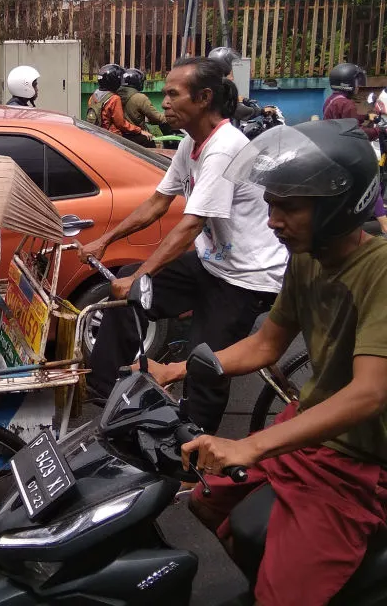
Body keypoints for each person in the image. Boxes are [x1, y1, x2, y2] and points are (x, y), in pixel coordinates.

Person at [145, 119, 387, 606]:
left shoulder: (379, 270)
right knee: (204, 502)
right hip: (308, 431)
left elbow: (370, 392)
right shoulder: (306, 258)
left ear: (340, 205)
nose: (273, 219)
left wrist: (251, 447)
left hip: (363, 459)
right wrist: (176, 370)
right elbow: (265, 346)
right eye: (272, 204)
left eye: (288, 207)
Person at [79, 56, 287, 433]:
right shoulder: (193, 141)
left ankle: (193, 455)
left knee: (204, 362)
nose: (165, 103)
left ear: (204, 97)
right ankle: (107, 394)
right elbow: (158, 202)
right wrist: (103, 242)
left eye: (174, 94)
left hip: (247, 278)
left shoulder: (224, 147)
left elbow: (191, 225)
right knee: (125, 289)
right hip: (212, 264)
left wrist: (143, 275)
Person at [322, 62, 387, 234]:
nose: (359, 86)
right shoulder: (348, 104)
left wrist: (366, 115)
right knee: (372, 183)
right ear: (348, 84)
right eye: (357, 82)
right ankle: (385, 225)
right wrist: (378, 130)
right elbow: (356, 133)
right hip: (349, 150)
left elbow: (345, 121)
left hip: (334, 147)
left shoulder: (333, 100)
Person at [86, 64, 154, 143]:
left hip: (97, 134)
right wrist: (140, 131)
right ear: (114, 81)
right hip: (112, 137)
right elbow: (121, 124)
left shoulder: (93, 96)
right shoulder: (114, 98)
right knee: (147, 140)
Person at [117, 68, 171, 146]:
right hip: (136, 136)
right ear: (137, 82)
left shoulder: (115, 95)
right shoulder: (140, 98)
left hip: (119, 136)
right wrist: (171, 117)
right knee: (150, 143)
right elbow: (157, 118)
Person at [208, 46, 262, 123]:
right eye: (229, 73)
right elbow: (237, 110)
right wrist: (261, 111)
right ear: (223, 67)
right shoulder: (217, 87)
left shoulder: (208, 82)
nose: (232, 78)